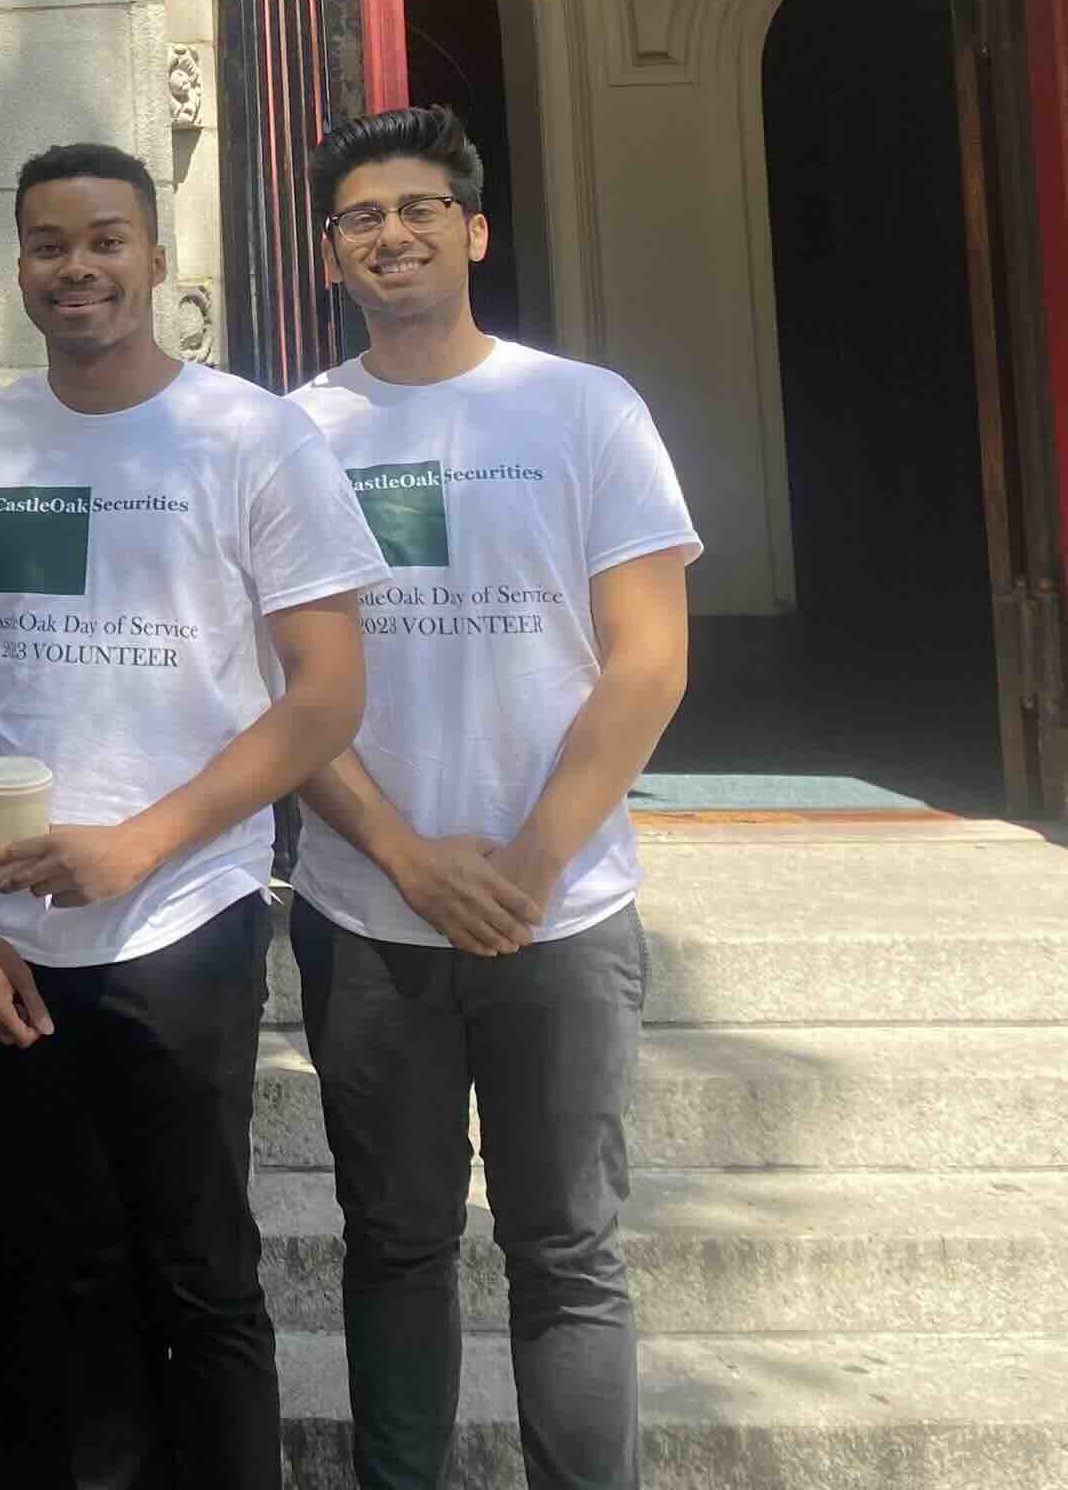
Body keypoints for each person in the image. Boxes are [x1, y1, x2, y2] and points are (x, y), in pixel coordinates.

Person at [0, 142, 384, 1489]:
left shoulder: (249, 434)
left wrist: (143, 842)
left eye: (104, 239)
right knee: (65, 1270)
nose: (77, 268)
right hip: (18, 933)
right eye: (48, 244)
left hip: (188, 914)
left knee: (203, 1272)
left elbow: (327, 693)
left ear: (156, 260)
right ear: (18, 270)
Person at [287, 107, 696, 1490]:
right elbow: (275, 687)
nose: (388, 235)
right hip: (366, 914)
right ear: (330, 249)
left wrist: (527, 861)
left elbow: (648, 658)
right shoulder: (294, 434)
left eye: (416, 210)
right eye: (359, 217)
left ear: (472, 230)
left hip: (563, 914)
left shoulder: (582, 409)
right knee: (394, 1242)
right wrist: (404, 855)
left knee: (565, 1251)